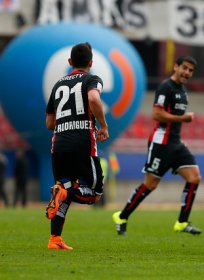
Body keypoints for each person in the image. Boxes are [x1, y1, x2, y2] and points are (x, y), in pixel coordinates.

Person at [113, 55, 202, 235]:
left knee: (194, 178)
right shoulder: (165, 87)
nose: (187, 72)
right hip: (161, 143)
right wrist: (183, 118)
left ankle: (182, 223)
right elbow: (157, 115)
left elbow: (173, 121)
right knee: (151, 184)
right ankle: (121, 216)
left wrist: (179, 130)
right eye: (184, 68)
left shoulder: (183, 91)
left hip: (176, 143)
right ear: (175, 67)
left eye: (191, 70)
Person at [45, 42, 109, 250]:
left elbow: (49, 124)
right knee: (95, 193)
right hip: (82, 142)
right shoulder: (92, 79)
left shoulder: (57, 85)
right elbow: (92, 98)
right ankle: (65, 191)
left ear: (70, 62)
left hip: (59, 144)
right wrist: (103, 125)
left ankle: (55, 239)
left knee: (62, 188)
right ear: (91, 62)